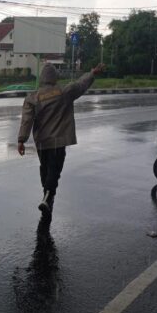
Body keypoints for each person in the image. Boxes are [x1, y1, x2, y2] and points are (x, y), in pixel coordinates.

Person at [17, 63, 105, 224]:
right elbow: (81, 84)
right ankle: (48, 196)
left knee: (45, 168)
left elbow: (26, 120)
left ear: (41, 78)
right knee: (54, 170)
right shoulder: (65, 92)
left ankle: (46, 197)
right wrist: (92, 72)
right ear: (55, 77)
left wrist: (21, 140)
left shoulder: (33, 98)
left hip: (42, 142)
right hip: (58, 141)